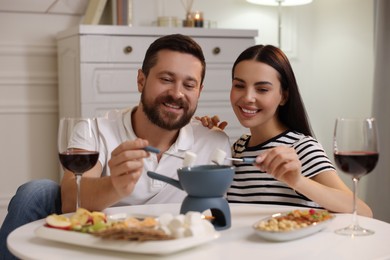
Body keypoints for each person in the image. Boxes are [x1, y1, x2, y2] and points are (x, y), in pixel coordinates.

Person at [0, 34, 231, 259]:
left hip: (177, 250)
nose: (177, 93)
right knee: (36, 191)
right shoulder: (95, 129)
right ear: (141, 80)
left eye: (189, 85)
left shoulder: (213, 141)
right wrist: (116, 185)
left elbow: (219, 216)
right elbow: (71, 199)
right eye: (166, 79)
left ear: (199, 91)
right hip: (103, 248)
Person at [198, 44, 373, 217]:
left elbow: (362, 211)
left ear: (284, 96)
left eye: (262, 89)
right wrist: (205, 137)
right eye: (239, 85)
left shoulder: (301, 147)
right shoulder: (238, 147)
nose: (248, 97)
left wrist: (297, 181)